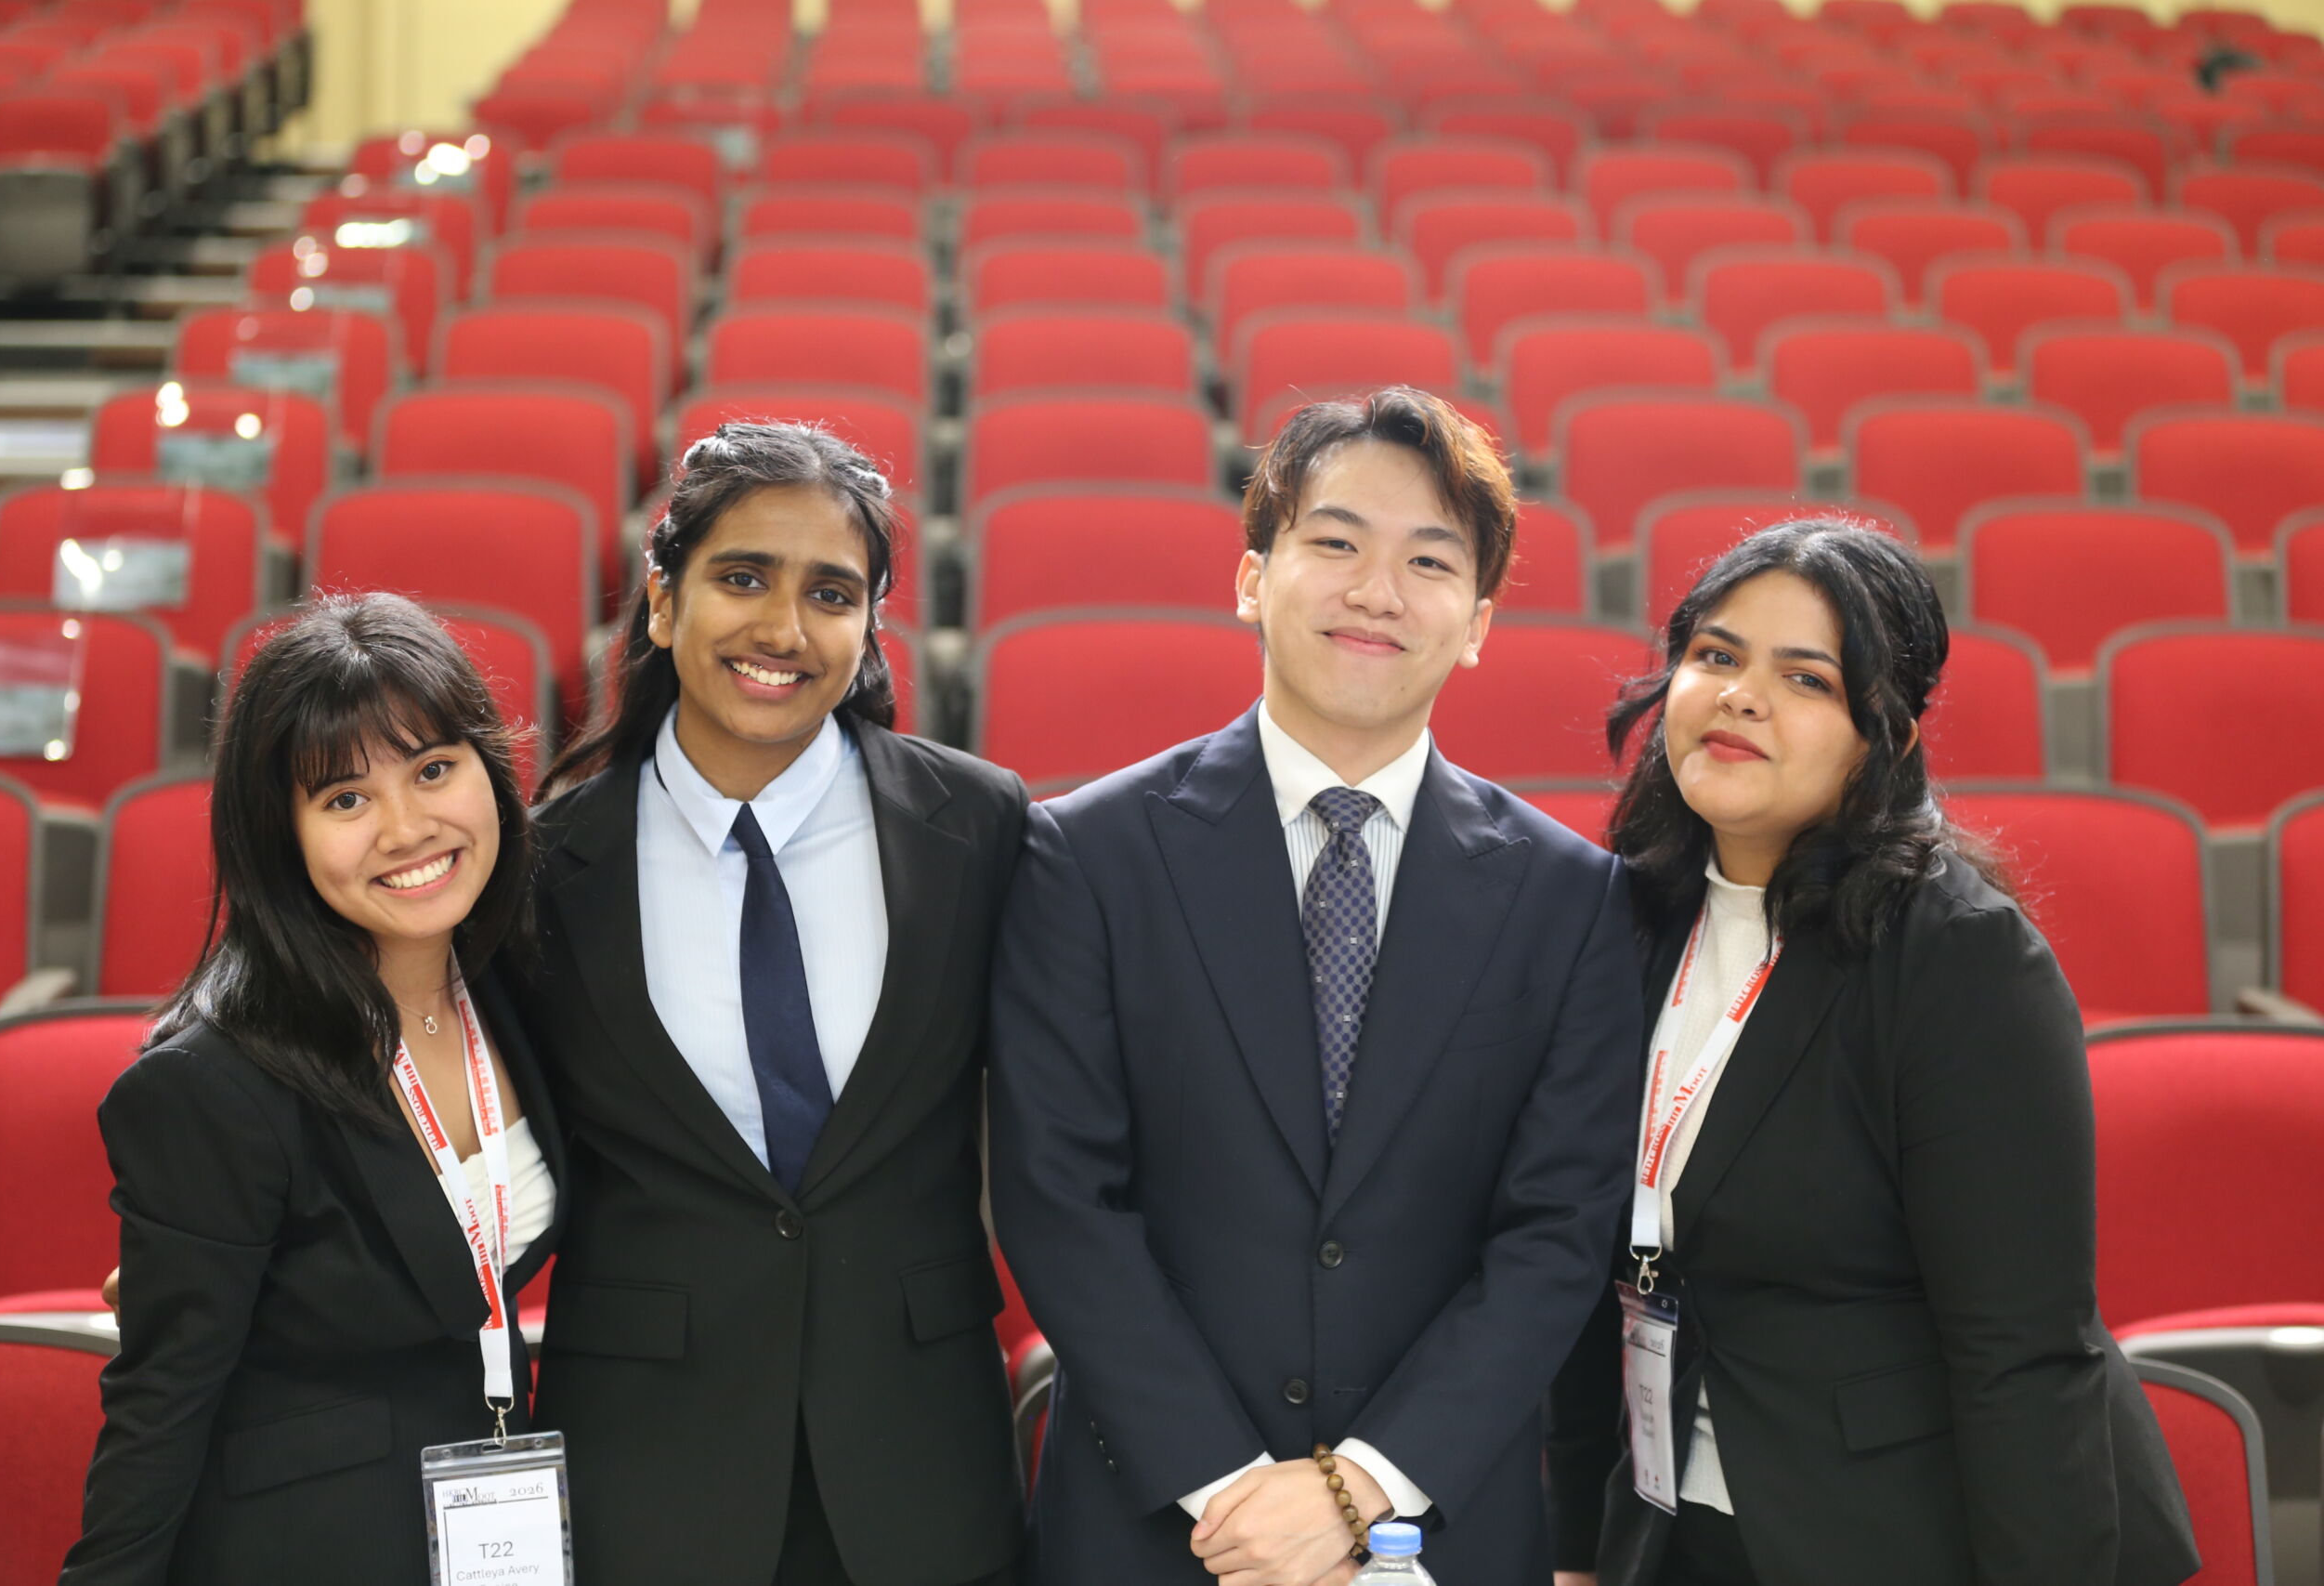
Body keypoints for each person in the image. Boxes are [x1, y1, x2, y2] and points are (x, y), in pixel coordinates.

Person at [987, 387, 1644, 1586]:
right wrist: (1241, 1497)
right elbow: (1059, 1199)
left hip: (1438, 1526)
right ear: (1252, 578)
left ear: (1480, 620)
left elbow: (1554, 1238)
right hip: (1158, 1524)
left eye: (1427, 561)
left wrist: (1361, 1490)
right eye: (1335, 543)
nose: (1375, 591)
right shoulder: (1086, 856)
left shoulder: (1574, 900)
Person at [1544, 520, 2200, 1586]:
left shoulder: (1958, 961)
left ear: (1881, 738)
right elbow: (1581, 1274)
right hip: (1676, 1531)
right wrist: (1575, 1546)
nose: (1740, 695)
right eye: (1715, 656)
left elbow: (2022, 1357)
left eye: (1804, 678)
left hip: (1905, 1535)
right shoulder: (1626, 919)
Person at [512, 422, 1026, 1586]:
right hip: (645, 1464)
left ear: (869, 623)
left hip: (920, 1465)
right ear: (662, 601)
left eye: (830, 593)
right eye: (741, 577)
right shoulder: (542, 869)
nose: (783, 629)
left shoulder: (981, 830)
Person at [62, 594, 562, 1585]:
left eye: (432, 769)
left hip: (493, 1528)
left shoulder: (523, 985)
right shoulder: (211, 1086)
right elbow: (160, 1410)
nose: (407, 828)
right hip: (301, 1550)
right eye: (345, 799)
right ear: (277, 834)